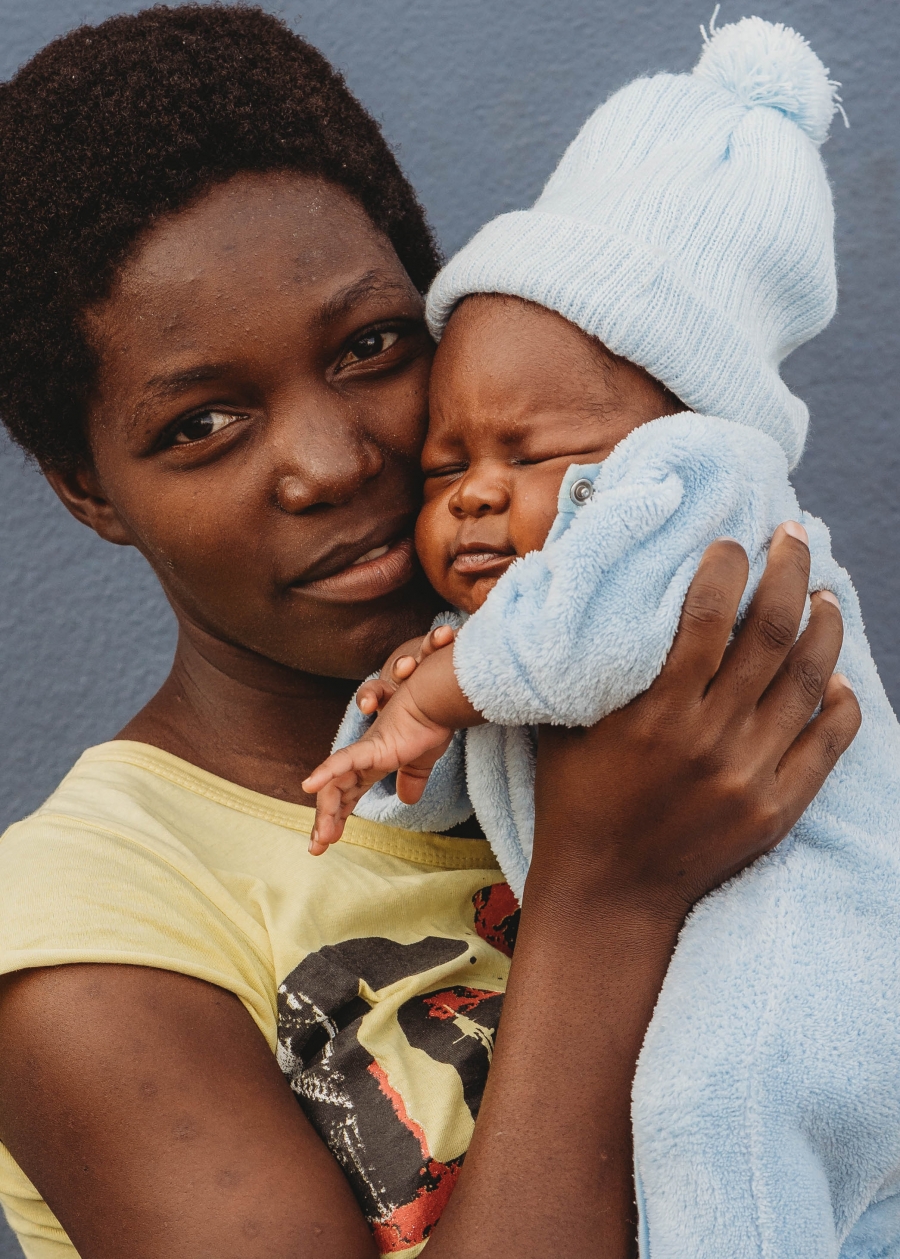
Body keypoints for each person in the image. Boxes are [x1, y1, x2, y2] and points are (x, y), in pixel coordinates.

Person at [0, 8, 859, 1259]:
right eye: (202, 424)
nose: (332, 461)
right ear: (89, 488)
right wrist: (605, 890)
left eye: (370, 347)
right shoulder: (89, 926)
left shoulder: (686, 685)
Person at [304, 18, 900, 1256]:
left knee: (711, 1111)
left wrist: (449, 682)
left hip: (825, 929)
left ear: (674, 423)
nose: (473, 492)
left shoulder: (714, 487)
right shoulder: (523, 617)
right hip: (718, 950)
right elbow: (429, 793)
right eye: (446, 462)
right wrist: (397, 722)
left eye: (537, 454)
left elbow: (591, 630)